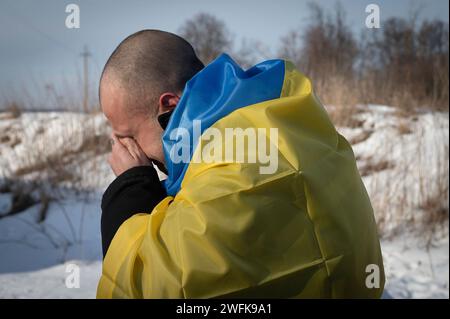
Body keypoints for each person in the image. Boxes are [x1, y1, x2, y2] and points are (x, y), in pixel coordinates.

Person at [97, 29, 385, 298]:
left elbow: (149, 287)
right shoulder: (291, 120)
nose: (130, 151)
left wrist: (130, 189)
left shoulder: (228, 166)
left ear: (170, 108)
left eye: (129, 137)